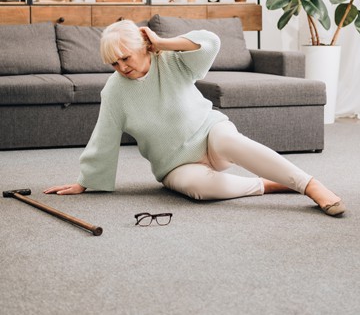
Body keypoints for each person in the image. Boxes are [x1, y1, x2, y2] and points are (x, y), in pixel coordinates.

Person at [44, 20, 345, 217]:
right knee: (200, 190)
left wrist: (163, 42)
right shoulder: (115, 93)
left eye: (126, 58)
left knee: (230, 139)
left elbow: (210, 41)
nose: (121, 67)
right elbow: (103, 138)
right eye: (114, 62)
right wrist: (86, 181)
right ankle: (267, 185)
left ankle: (308, 185)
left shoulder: (171, 60)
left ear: (145, 48)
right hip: (176, 166)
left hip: (209, 135)